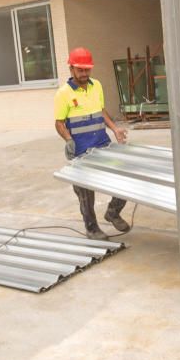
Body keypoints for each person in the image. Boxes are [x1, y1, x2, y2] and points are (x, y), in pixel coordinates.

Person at [54, 47, 130, 240]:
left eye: (87, 69)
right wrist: (68, 140)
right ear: (71, 69)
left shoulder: (96, 85)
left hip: (102, 144)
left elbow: (101, 110)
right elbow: (59, 123)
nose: (84, 74)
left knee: (125, 177)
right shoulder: (62, 94)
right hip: (80, 151)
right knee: (85, 192)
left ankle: (113, 212)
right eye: (80, 70)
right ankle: (92, 228)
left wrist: (114, 128)